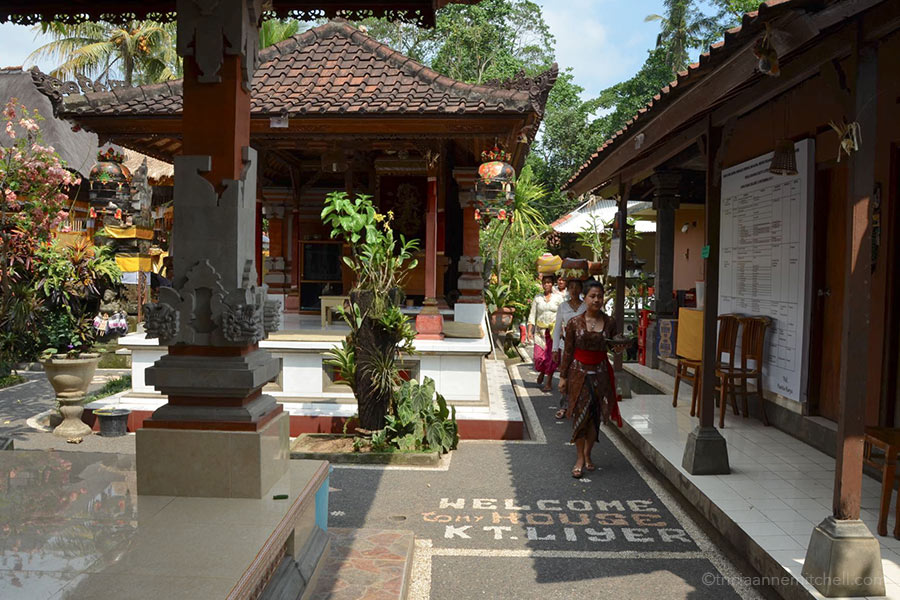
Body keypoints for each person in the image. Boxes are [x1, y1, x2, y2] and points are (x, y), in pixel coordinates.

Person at [558, 280, 628, 478]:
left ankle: (588, 454)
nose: (596, 300)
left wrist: (620, 347)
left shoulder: (610, 322)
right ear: (585, 298)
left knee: (594, 418)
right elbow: (568, 352)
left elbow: (614, 345)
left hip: (600, 374)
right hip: (578, 375)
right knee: (580, 417)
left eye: (599, 296)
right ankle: (579, 457)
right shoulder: (574, 323)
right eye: (592, 296)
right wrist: (562, 377)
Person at [552, 277, 585, 419]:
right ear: (568, 289)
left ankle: (579, 404)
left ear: (581, 289)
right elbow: (557, 327)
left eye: (577, 287)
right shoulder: (563, 307)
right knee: (565, 376)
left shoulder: (586, 306)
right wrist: (554, 349)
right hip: (566, 347)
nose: (574, 290)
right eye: (571, 287)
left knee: (580, 375)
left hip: (583, 347)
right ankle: (564, 406)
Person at [527, 274, 564, 393]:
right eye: (545, 282)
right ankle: (542, 371)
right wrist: (529, 331)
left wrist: (563, 330)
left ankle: (548, 382)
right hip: (540, 332)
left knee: (552, 358)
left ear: (552, 284)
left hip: (554, 332)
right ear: (542, 284)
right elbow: (532, 314)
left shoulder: (558, 298)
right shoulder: (538, 298)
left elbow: (563, 315)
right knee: (539, 357)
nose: (546, 284)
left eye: (549, 282)